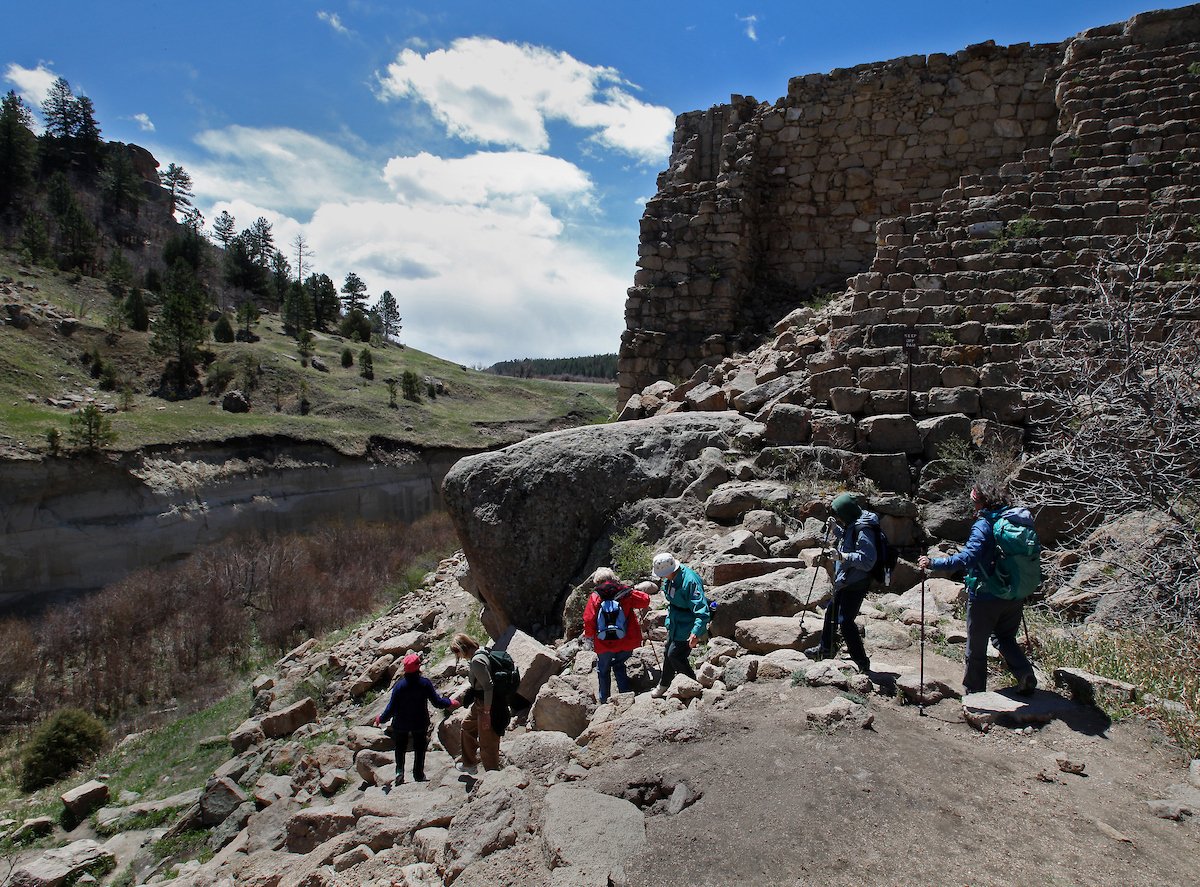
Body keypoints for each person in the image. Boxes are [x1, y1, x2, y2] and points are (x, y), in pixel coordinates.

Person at [918, 484, 1037, 696]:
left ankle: (975, 694)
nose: (972, 504)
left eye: (974, 501)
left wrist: (934, 563)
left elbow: (968, 557)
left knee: (976, 647)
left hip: (985, 595)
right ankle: (1025, 673)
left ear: (981, 502)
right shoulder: (1015, 520)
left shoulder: (984, 525)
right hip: (1014, 592)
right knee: (1004, 638)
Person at [810, 492, 878, 674]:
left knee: (846, 622)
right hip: (845, 580)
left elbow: (867, 560)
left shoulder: (864, 530)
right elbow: (848, 539)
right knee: (831, 613)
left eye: (839, 514)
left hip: (855, 582)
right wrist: (835, 528)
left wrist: (842, 556)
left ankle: (861, 661)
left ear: (847, 513)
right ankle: (825, 649)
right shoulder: (854, 522)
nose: (839, 517)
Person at [373, 652, 458, 786]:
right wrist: (449, 702)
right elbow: (436, 702)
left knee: (400, 748)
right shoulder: (424, 683)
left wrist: (381, 718)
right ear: (418, 667)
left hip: (401, 722)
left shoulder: (399, 686)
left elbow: (391, 708)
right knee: (419, 748)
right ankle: (418, 774)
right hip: (420, 722)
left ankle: (399, 771)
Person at [582, 567, 652, 703]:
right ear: (613, 578)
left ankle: (604, 700)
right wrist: (633, 589)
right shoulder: (625, 592)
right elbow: (645, 600)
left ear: (597, 581)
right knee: (619, 664)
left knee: (603, 670)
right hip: (625, 639)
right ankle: (625, 697)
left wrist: (589, 637)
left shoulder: (596, 596)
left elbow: (589, 619)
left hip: (603, 642)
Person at [649, 552, 710, 698]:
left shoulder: (690, 581)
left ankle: (693, 686)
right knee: (668, 653)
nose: (661, 577)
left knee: (675, 655)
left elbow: (702, 610)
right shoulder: (670, 579)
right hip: (675, 622)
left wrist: (696, 632)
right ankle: (664, 684)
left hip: (687, 624)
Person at [448, 632, 506, 774]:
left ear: (462, 648)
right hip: (480, 702)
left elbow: (488, 687)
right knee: (467, 726)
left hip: (487, 704)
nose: (458, 656)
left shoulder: (477, 661)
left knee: (487, 742)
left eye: (457, 652)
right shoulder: (481, 651)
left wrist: (487, 713)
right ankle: (469, 763)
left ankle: (492, 775)